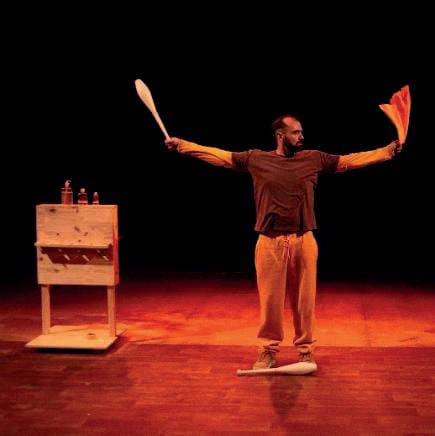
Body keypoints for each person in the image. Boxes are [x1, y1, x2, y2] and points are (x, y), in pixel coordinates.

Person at [164, 114, 402, 370]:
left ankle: (306, 351)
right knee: (270, 302)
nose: (302, 136)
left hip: (303, 240)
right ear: (280, 135)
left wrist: (386, 151)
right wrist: (183, 145)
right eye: (296, 132)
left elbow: (348, 161)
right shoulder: (257, 159)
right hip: (269, 242)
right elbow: (220, 156)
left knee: (305, 303)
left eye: (301, 132)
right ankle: (267, 351)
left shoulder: (313, 158)